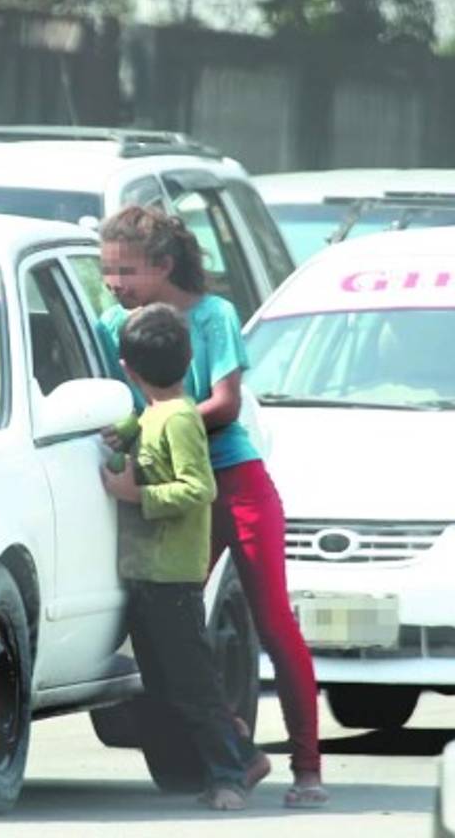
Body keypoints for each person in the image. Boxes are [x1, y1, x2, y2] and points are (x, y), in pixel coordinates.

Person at [97, 205, 327, 809]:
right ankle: (237, 750)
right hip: (170, 497)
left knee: (274, 622)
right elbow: (112, 400)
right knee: (169, 630)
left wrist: (157, 424)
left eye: (127, 271)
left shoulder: (214, 315)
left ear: (164, 266)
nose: (115, 284)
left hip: (234, 482)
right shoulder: (106, 322)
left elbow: (223, 403)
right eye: (108, 271)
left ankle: (307, 767)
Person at [100, 302, 269, 811]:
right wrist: (123, 433)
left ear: (127, 369)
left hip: (172, 578)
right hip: (147, 577)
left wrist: (136, 495)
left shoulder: (178, 421)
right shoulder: (152, 415)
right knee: (169, 685)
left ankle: (230, 776)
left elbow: (198, 488)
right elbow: (137, 429)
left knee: (193, 687)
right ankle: (239, 756)